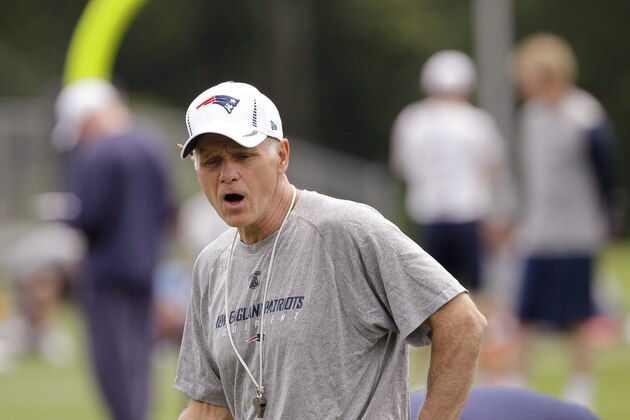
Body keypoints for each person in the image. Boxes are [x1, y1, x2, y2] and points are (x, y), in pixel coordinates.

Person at [174, 81, 487, 419]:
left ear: (281, 156)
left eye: (243, 156)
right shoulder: (212, 264)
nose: (228, 174)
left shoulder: (347, 230)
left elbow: (462, 321)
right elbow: (209, 408)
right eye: (211, 161)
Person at [510, 33, 621, 408]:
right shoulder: (529, 118)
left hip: (577, 231)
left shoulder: (584, 116)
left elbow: (605, 174)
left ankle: (580, 390)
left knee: (579, 313)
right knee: (525, 313)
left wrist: (608, 218)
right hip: (539, 231)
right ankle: (516, 385)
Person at [52, 78, 172, 420]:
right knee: (139, 362)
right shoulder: (150, 144)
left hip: (106, 275)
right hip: (146, 270)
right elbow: (166, 209)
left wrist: (64, 215)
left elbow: (88, 214)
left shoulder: (98, 152)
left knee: (113, 365)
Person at [390, 50, 510, 295]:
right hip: (470, 212)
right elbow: (493, 167)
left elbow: (402, 167)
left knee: (430, 287)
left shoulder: (411, 120)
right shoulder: (476, 121)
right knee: (475, 285)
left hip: (426, 212)